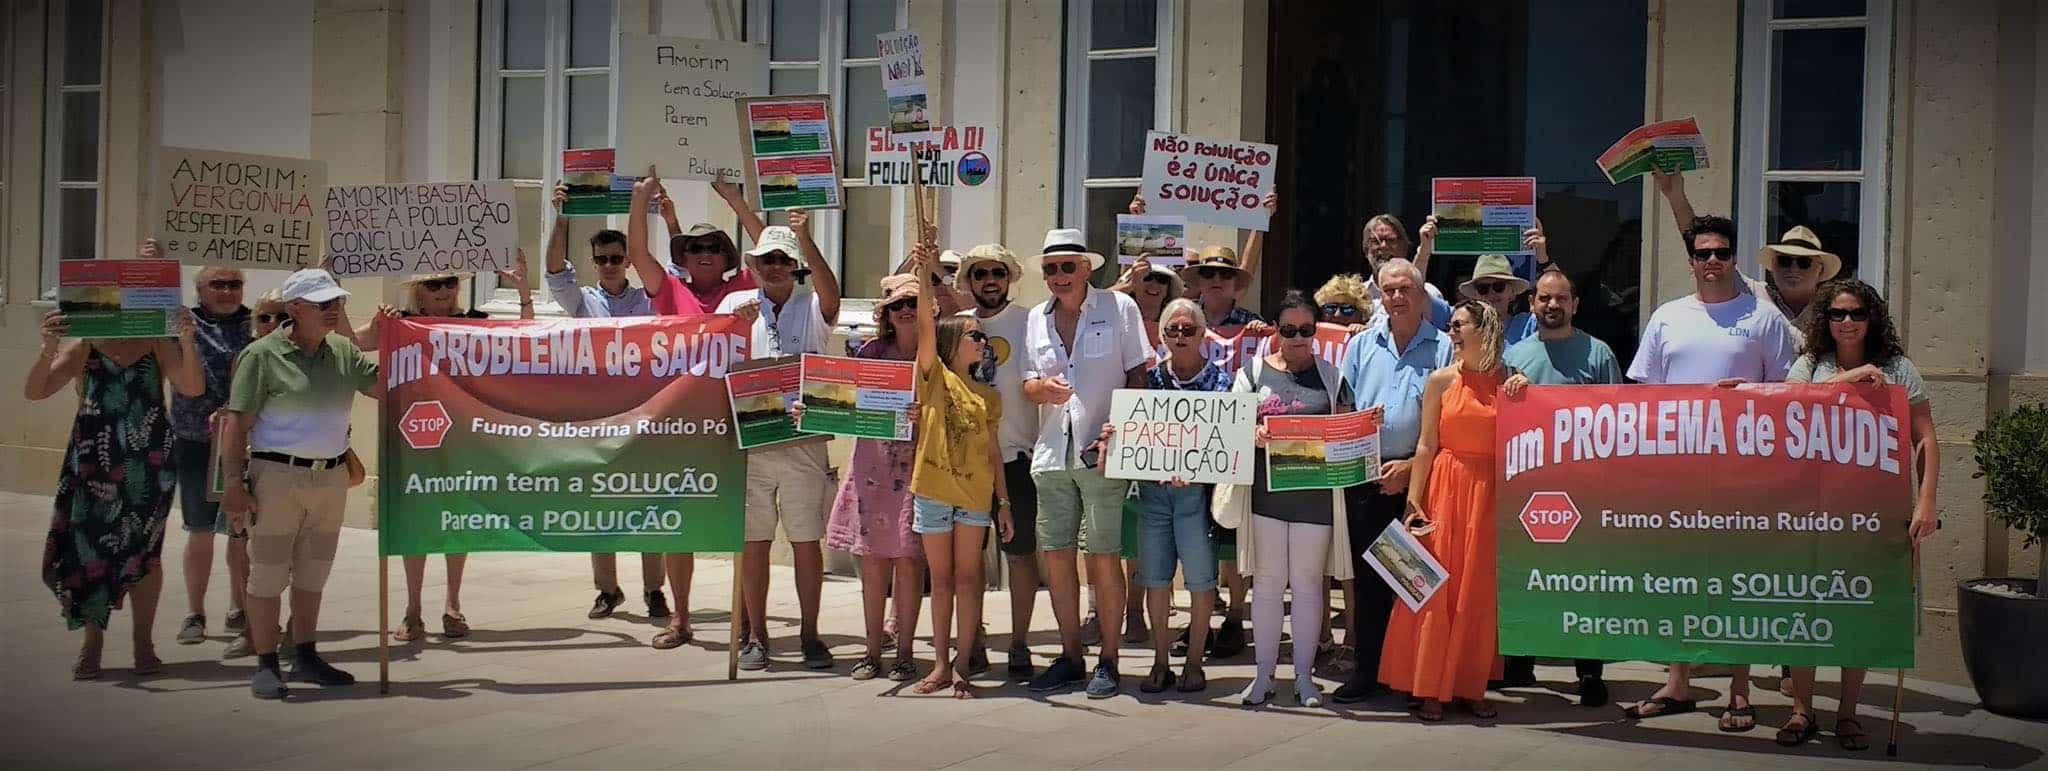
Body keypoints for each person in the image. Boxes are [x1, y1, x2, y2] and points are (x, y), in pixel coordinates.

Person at [1621, 214, 1799, 731]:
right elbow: (1644, 398)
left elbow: (1790, 395)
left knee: (1735, 582)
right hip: (1676, 475)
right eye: (1703, 254)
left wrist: (1752, 396)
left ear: (1734, 258)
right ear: (1691, 261)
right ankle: (1678, 683)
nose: (1713, 261)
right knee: (1678, 580)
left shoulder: (1763, 318)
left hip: (1742, 475)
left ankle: (1739, 691)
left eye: (1721, 252)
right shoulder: (1667, 316)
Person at [1776, 279, 1940, 751]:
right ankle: (1801, 709)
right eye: (1837, 314)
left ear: (1873, 318)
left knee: (1858, 610)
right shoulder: (1810, 364)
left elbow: (1925, 438)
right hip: (1810, 510)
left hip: (1873, 511)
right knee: (1803, 608)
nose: (1847, 322)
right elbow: (1787, 404)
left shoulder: (1900, 370)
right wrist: (1847, 379)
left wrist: (1926, 499)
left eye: (1857, 313)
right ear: (1824, 320)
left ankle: (1847, 713)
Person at [217, 268, 382, 699]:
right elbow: (237, 422)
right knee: (267, 575)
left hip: (330, 478)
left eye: (337, 303)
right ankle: (267, 663)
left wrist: (419, 345)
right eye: (323, 304)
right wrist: (233, 481)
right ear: (294, 309)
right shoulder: (261, 355)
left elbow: (386, 386)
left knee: (314, 573)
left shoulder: (343, 353)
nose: (334, 311)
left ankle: (306, 654)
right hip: (276, 476)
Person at [359, 259, 534, 643]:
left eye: (449, 283)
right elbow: (347, 345)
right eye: (434, 284)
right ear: (419, 289)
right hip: (414, 435)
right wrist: (371, 321)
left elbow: (526, 341)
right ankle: (413, 608)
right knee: (416, 520)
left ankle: (453, 604)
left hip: (463, 435)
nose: (442, 291)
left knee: (458, 519)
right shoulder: (399, 322)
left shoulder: (477, 319)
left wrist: (523, 292)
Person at [26, 302, 202, 680]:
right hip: (93, 463)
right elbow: (36, 391)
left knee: (145, 552)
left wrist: (187, 340)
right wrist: (48, 346)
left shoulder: (157, 342)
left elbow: (192, 386)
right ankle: (92, 645)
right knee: (92, 550)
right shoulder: (86, 344)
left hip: (150, 461)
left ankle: (143, 643)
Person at [1020, 228, 1150, 698]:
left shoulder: (1121, 308)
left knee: (1103, 558)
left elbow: (1139, 373)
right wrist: (1041, 390)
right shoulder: (1036, 317)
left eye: (1067, 266)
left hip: (1103, 449)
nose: (1058, 276)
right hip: (1053, 449)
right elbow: (1028, 384)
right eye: (1051, 268)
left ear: (1086, 268)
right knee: (1055, 558)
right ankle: (1071, 656)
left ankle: (1109, 660)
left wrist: (1125, 428)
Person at [718, 213, 841, 671]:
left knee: (807, 541)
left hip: (803, 439)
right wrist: (732, 325)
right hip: (750, 443)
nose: (774, 266)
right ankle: (756, 635)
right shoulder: (735, 304)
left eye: (783, 259)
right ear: (752, 264)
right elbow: (711, 361)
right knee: (754, 542)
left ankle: (810, 634)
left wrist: (807, 235)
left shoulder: (811, 303)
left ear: (796, 264)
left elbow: (832, 295)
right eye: (767, 259)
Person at [543, 185, 668, 620]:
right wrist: (561, 214)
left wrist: (665, 215)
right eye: (603, 259)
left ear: (628, 260)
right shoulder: (582, 302)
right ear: (593, 262)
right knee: (600, 506)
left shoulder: (648, 299)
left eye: (618, 257)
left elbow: (677, 278)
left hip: (644, 416)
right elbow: (555, 269)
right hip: (596, 419)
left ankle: (655, 590)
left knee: (648, 505)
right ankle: (608, 589)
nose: (611, 265)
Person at [1379, 299, 1508, 721]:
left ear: (1483, 328)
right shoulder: (1439, 380)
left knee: (1478, 592)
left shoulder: (1507, 378)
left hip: (1489, 493)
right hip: (1446, 488)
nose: (1452, 332)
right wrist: (1413, 501)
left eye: (1459, 325)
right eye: (1450, 325)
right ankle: (1430, 687)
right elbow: (1426, 443)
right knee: (1435, 590)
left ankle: (1471, 685)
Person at [1499, 267, 1622, 705]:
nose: (1552, 305)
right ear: (1532, 306)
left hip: (1584, 489)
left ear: (1574, 305)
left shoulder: (1598, 353)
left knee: (1585, 584)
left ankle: (1588, 670)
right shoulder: (1514, 355)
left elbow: (1618, 422)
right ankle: (1519, 662)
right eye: (1544, 299)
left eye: (1561, 299)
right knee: (1527, 579)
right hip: (1528, 489)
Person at [1333, 257, 1453, 703]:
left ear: (1422, 295)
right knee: (1369, 581)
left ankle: (1411, 674)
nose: (1398, 297)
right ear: (1380, 297)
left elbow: (1448, 425)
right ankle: (1369, 671)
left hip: (1419, 481)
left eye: (1406, 289)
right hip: (1365, 477)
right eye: (1389, 290)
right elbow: (1344, 410)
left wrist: (1409, 472)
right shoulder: (1361, 346)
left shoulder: (1443, 348)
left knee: (1415, 577)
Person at [1233, 290, 1359, 708]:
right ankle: (1263, 675)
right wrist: (1252, 434)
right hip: (1266, 498)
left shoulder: (1333, 376)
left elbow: (1351, 432)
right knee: (1267, 585)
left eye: (1306, 329)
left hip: (1316, 500)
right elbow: (1230, 426)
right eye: (1289, 330)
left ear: (1316, 330)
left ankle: (1304, 679)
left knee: (1307, 587)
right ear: (1275, 329)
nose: (1298, 338)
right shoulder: (1251, 373)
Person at [900, 241, 1012, 698]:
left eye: (981, 337)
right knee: (940, 580)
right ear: (951, 344)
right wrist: (927, 269)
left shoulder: (990, 395)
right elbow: (926, 326)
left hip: (975, 497)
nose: (981, 342)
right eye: (974, 336)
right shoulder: (933, 376)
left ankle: (964, 664)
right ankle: (940, 663)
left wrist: (1002, 503)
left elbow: (993, 453)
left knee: (969, 580)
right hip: (933, 490)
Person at [620, 169, 716, 649]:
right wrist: (640, 201)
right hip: (679, 423)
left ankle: (754, 626)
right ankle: (681, 617)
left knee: (751, 527)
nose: (704, 255)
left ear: (729, 258)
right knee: (679, 519)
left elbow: (774, 253)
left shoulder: (745, 288)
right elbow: (638, 255)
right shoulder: (671, 292)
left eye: (714, 248)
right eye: (695, 249)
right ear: (684, 257)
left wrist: (738, 202)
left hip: (734, 420)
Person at [821, 273, 927, 682]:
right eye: (897, 305)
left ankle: (904, 652)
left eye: (912, 304)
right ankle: (870, 651)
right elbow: (842, 400)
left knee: (909, 559)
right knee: (872, 562)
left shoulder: (936, 353)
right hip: (872, 467)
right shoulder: (870, 350)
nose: (904, 311)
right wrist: (811, 409)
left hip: (918, 465)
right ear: (886, 314)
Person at [1122, 298, 1227, 694]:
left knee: (1201, 580)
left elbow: (1225, 438)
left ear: (1202, 334)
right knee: (1155, 578)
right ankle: (1161, 660)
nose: (1180, 336)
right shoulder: (1147, 380)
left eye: (1188, 329)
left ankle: (1195, 662)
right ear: (1162, 335)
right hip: (1154, 493)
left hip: (1198, 498)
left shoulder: (1221, 381)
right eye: (1172, 330)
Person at [959, 244, 1055, 679]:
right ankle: (973, 639)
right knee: (969, 561)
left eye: (998, 271)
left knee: (1020, 556)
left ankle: (1018, 643)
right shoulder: (956, 327)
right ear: (969, 281)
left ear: (1010, 277)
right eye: (980, 273)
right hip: (967, 463)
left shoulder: (1031, 320)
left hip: (1018, 457)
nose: (989, 280)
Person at [169, 261, 254, 649]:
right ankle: (195, 613)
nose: (226, 291)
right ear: (200, 289)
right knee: (199, 530)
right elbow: (142, 301)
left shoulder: (260, 321)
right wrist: (151, 265)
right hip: (195, 440)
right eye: (217, 284)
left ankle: (240, 607)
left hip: (247, 442)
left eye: (234, 284)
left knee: (241, 531)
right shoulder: (182, 322)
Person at [1651, 169, 1840, 334]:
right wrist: (1676, 197)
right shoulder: (1754, 294)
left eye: (1804, 262)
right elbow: (1700, 243)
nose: (1793, 269)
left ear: (1820, 269)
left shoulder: (1837, 309)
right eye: (1784, 261)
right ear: (1772, 266)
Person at [1359, 214, 1451, 330]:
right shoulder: (1355, 295)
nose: (1383, 246)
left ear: (1405, 246)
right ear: (1366, 249)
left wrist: (1425, 246)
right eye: (1375, 241)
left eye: (1391, 240)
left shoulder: (1430, 292)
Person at [1458, 255, 1537, 347]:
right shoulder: (1464, 331)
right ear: (1476, 297)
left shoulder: (1528, 324)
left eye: (1498, 286)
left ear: (1512, 293)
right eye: (1483, 288)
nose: (1491, 294)